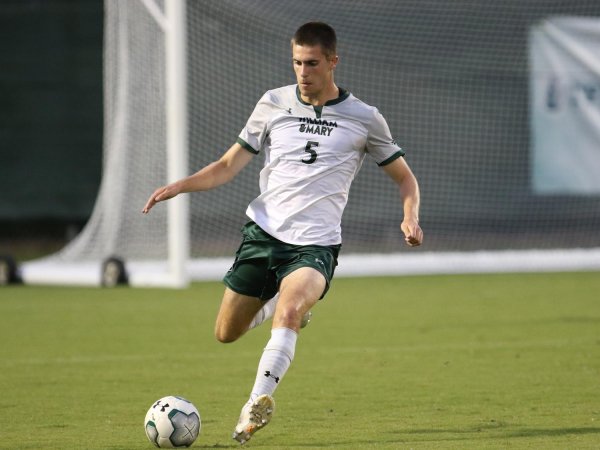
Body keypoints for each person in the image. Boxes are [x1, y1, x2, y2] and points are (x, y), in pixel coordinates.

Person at [142, 21, 423, 444]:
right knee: (226, 332)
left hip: (315, 245)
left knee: (290, 312)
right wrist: (179, 186)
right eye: (296, 62)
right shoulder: (273, 103)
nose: (303, 72)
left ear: (332, 62)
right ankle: (279, 307)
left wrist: (410, 216)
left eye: (312, 63)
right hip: (263, 235)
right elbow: (227, 165)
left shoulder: (364, 118)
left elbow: (405, 178)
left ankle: (254, 406)